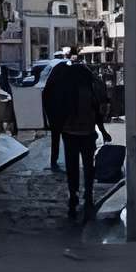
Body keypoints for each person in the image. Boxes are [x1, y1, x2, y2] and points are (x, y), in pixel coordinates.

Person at [40, 51, 107, 224]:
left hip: (69, 134)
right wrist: (103, 130)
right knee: (88, 166)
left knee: (72, 168)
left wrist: (56, 126)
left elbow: (54, 107)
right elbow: (98, 112)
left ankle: (73, 196)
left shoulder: (64, 92)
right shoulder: (91, 90)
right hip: (87, 134)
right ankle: (88, 194)